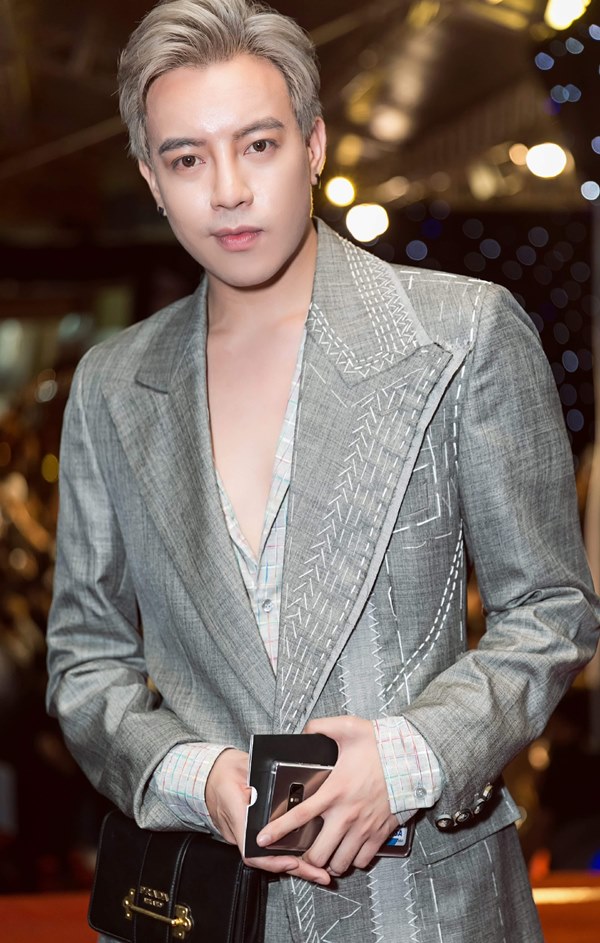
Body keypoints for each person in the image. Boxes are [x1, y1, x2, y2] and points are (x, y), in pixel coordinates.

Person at [46, 1, 600, 940]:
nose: (228, 190)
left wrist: (412, 756)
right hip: (207, 905)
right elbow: (85, 655)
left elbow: (551, 606)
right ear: (151, 178)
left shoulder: (460, 334)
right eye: (187, 159)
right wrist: (192, 775)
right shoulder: (112, 383)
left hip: (422, 904)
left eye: (258, 145)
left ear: (313, 145)